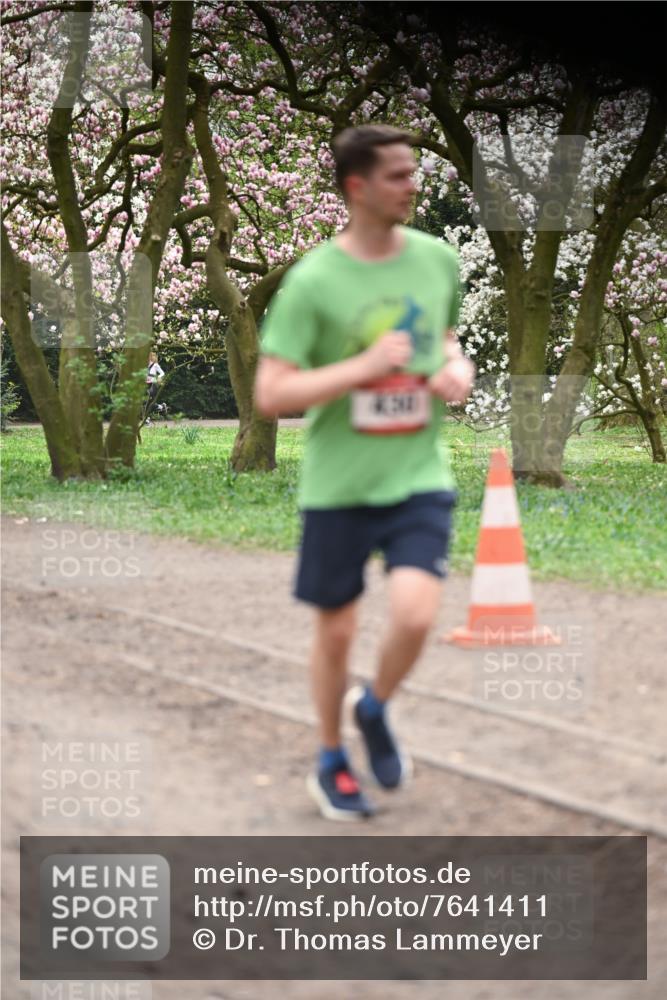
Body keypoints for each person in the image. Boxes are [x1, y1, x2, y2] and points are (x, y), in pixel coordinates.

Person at [255, 124, 475, 821]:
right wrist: (363, 366)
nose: (413, 185)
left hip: (417, 472)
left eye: (415, 173)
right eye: (398, 176)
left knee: (415, 612)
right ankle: (330, 756)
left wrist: (454, 370)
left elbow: (444, 338)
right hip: (339, 484)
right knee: (338, 632)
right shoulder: (313, 281)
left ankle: (373, 707)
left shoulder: (438, 261)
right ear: (357, 187)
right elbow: (271, 393)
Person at [145, 351, 165, 423]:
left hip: (154, 384)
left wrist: (159, 378)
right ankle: (161, 407)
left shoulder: (155, 365)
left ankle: (147, 419)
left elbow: (162, 373)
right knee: (147, 401)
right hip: (146, 385)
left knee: (148, 401)